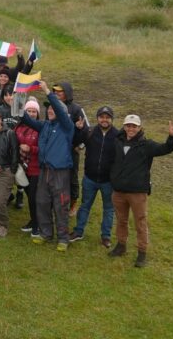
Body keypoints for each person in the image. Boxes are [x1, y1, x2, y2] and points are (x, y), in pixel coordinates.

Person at [109, 115, 173, 268]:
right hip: (119, 191)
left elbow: (165, 148)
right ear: (124, 127)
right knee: (121, 220)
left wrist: (172, 137)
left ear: (139, 128)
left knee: (140, 222)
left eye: (134, 126)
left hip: (137, 193)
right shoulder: (117, 141)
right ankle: (121, 245)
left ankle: (142, 252)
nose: (131, 129)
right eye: (128, 125)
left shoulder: (146, 145)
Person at [19, 81, 75, 251]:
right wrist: (17, 101)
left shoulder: (67, 126)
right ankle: (46, 234)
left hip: (60, 173)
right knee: (42, 202)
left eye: (52, 108)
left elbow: (60, 110)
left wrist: (47, 91)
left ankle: (63, 238)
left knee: (60, 205)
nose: (50, 110)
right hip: (44, 171)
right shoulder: (44, 126)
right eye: (48, 108)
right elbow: (25, 118)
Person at [70, 106, 118, 248]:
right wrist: (79, 129)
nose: (104, 120)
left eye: (107, 117)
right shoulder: (89, 132)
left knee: (108, 209)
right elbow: (76, 143)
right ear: (97, 118)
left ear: (111, 119)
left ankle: (106, 236)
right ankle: (78, 231)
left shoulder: (118, 135)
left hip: (108, 181)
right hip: (89, 178)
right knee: (85, 206)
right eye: (102, 117)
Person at [52, 82, 86, 217]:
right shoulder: (52, 106)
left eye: (59, 91)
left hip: (71, 149)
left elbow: (86, 129)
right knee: (56, 177)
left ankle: (73, 203)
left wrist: (80, 145)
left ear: (67, 93)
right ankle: (57, 202)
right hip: (56, 149)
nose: (56, 94)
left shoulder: (76, 109)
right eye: (54, 91)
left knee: (72, 177)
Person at [15, 98, 42, 236]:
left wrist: (31, 148)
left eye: (34, 111)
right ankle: (33, 220)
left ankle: (37, 225)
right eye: (29, 111)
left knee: (33, 198)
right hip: (22, 168)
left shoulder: (41, 128)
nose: (31, 113)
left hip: (36, 168)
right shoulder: (18, 127)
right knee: (29, 195)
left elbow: (45, 148)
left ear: (38, 114)